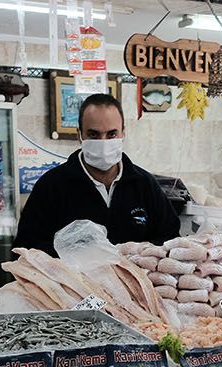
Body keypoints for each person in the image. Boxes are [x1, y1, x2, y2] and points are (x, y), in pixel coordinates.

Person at [15, 93, 181, 254]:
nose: (103, 142)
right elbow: (26, 248)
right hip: (74, 281)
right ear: (79, 135)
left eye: (111, 134)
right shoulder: (51, 186)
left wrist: (139, 252)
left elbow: (171, 238)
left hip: (134, 279)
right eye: (93, 134)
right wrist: (79, 254)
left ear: (123, 133)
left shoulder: (144, 184)